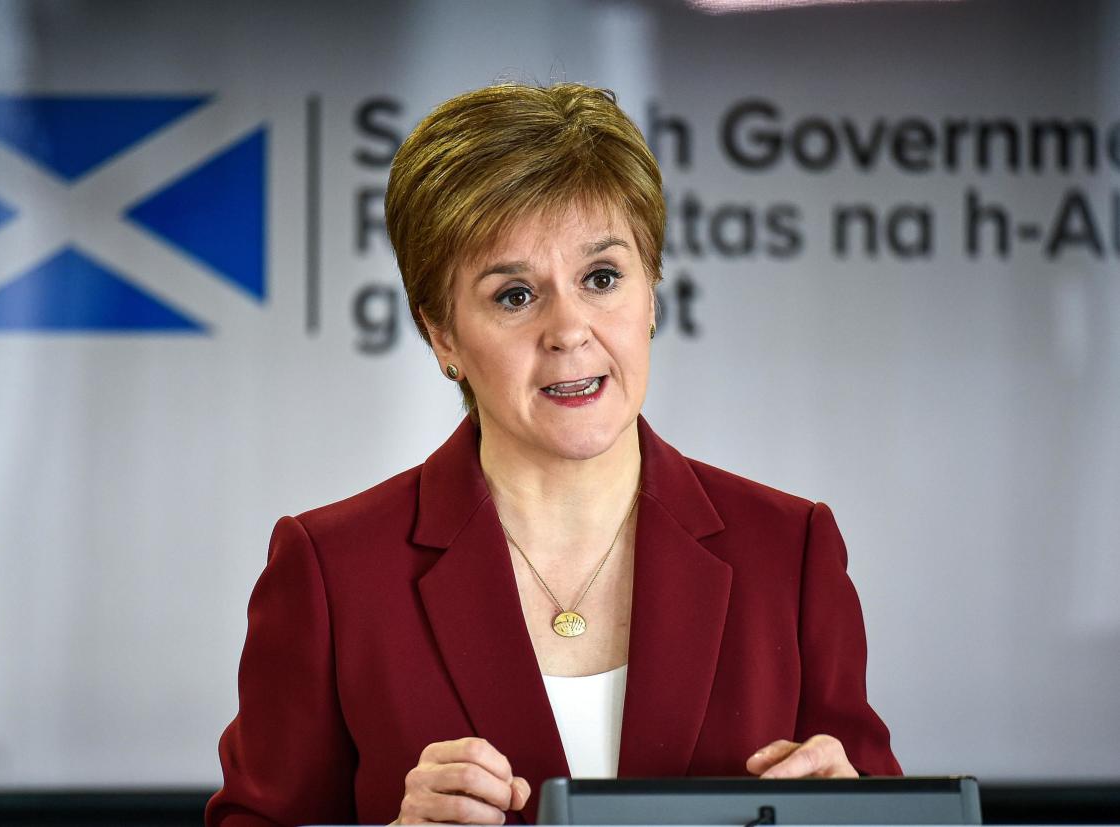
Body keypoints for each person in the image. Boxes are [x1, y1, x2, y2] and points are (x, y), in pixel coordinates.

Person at [206, 82, 900, 827]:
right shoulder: (331, 571)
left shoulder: (790, 551)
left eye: (602, 278)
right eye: (514, 295)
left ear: (653, 294)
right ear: (442, 335)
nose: (569, 330)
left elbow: (886, 805)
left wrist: (861, 813)